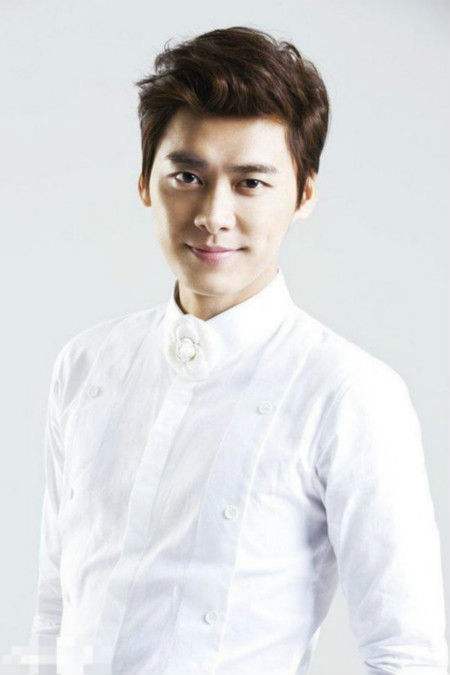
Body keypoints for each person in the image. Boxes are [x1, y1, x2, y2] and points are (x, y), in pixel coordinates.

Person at [29, 25, 448, 675]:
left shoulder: (348, 393)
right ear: (145, 183)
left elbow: (408, 653)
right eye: (187, 175)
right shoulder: (87, 365)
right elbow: (57, 610)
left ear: (303, 194)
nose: (212, 214)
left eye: (250, 183)